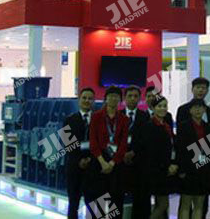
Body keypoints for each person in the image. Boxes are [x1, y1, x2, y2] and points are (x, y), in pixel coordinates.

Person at [88, 86, 130, 217]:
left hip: (116, 164)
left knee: (116, 201)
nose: (113, 99)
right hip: (99, 162)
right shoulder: (96, 116)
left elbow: (123, 144)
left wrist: (112, 163)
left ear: (120, 100)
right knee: (99, 201)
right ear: (106, 98)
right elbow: (93, 142)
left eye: (116, 96)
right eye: (111, 96)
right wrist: (103, 162)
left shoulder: (124, 119)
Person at [134, 95, 178, 219]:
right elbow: (151, 151)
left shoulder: (166, 125)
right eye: (159, 106)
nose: (163, 109)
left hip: (165, 170)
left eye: (165, 106)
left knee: (162, 205)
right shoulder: (149, 126)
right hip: (156, 170)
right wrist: (166, 166)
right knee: (163, 204)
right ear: (153, 108)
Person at [176, 99, 210, 219]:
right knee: (185, 203)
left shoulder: (208, 127)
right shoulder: (183, 126)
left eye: (200, 107)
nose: (198, 110)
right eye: (195, 107)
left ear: (204, 110)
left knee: (199, 204)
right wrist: (182, 169)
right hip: (188, 169)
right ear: (190, 110)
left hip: (203, 170)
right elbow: (180, 149)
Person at [64, 87, 95, 219]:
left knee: (94, 203)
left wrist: (90, 159)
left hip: (93, 167)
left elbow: (102, 142)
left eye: (90, 98)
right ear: (79, 100)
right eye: (84, 98)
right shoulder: (69, 120)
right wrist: (79, 160)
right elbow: (67, 144)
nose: (87, 101)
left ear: (93, 101)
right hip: (74, 167)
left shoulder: (99, 120)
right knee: (73, 202)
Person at [121, 85, 151, 219]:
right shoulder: (117, 115)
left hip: (139, 164)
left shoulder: (145, 117)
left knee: (140, 199)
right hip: (120, 162)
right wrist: (122, 154)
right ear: (124, 98)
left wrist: (133, 152)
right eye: (130, 96)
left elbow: (146, 140)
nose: (133, 99)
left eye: (135, 96)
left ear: (140, 98)